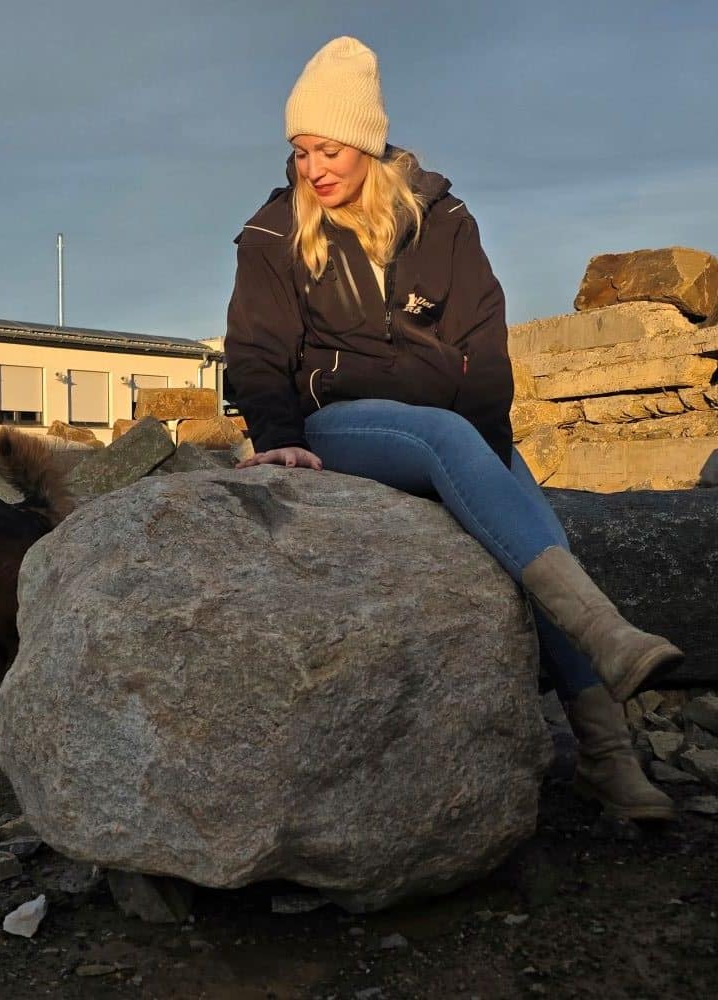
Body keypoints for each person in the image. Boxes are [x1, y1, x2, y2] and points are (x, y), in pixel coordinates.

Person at [224, 36, 683, 821]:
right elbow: (257, 349)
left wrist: (493, 448)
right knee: (445, 438)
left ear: (366, 143)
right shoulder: (274, 232)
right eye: (300, 152)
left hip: (450, 424)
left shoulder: (444, 220)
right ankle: (602, 634)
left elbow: (483, 343)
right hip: (336, 424)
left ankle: (607, 755)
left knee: (529, 516)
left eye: (329, 150)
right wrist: (274, 434)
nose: (312, 168)